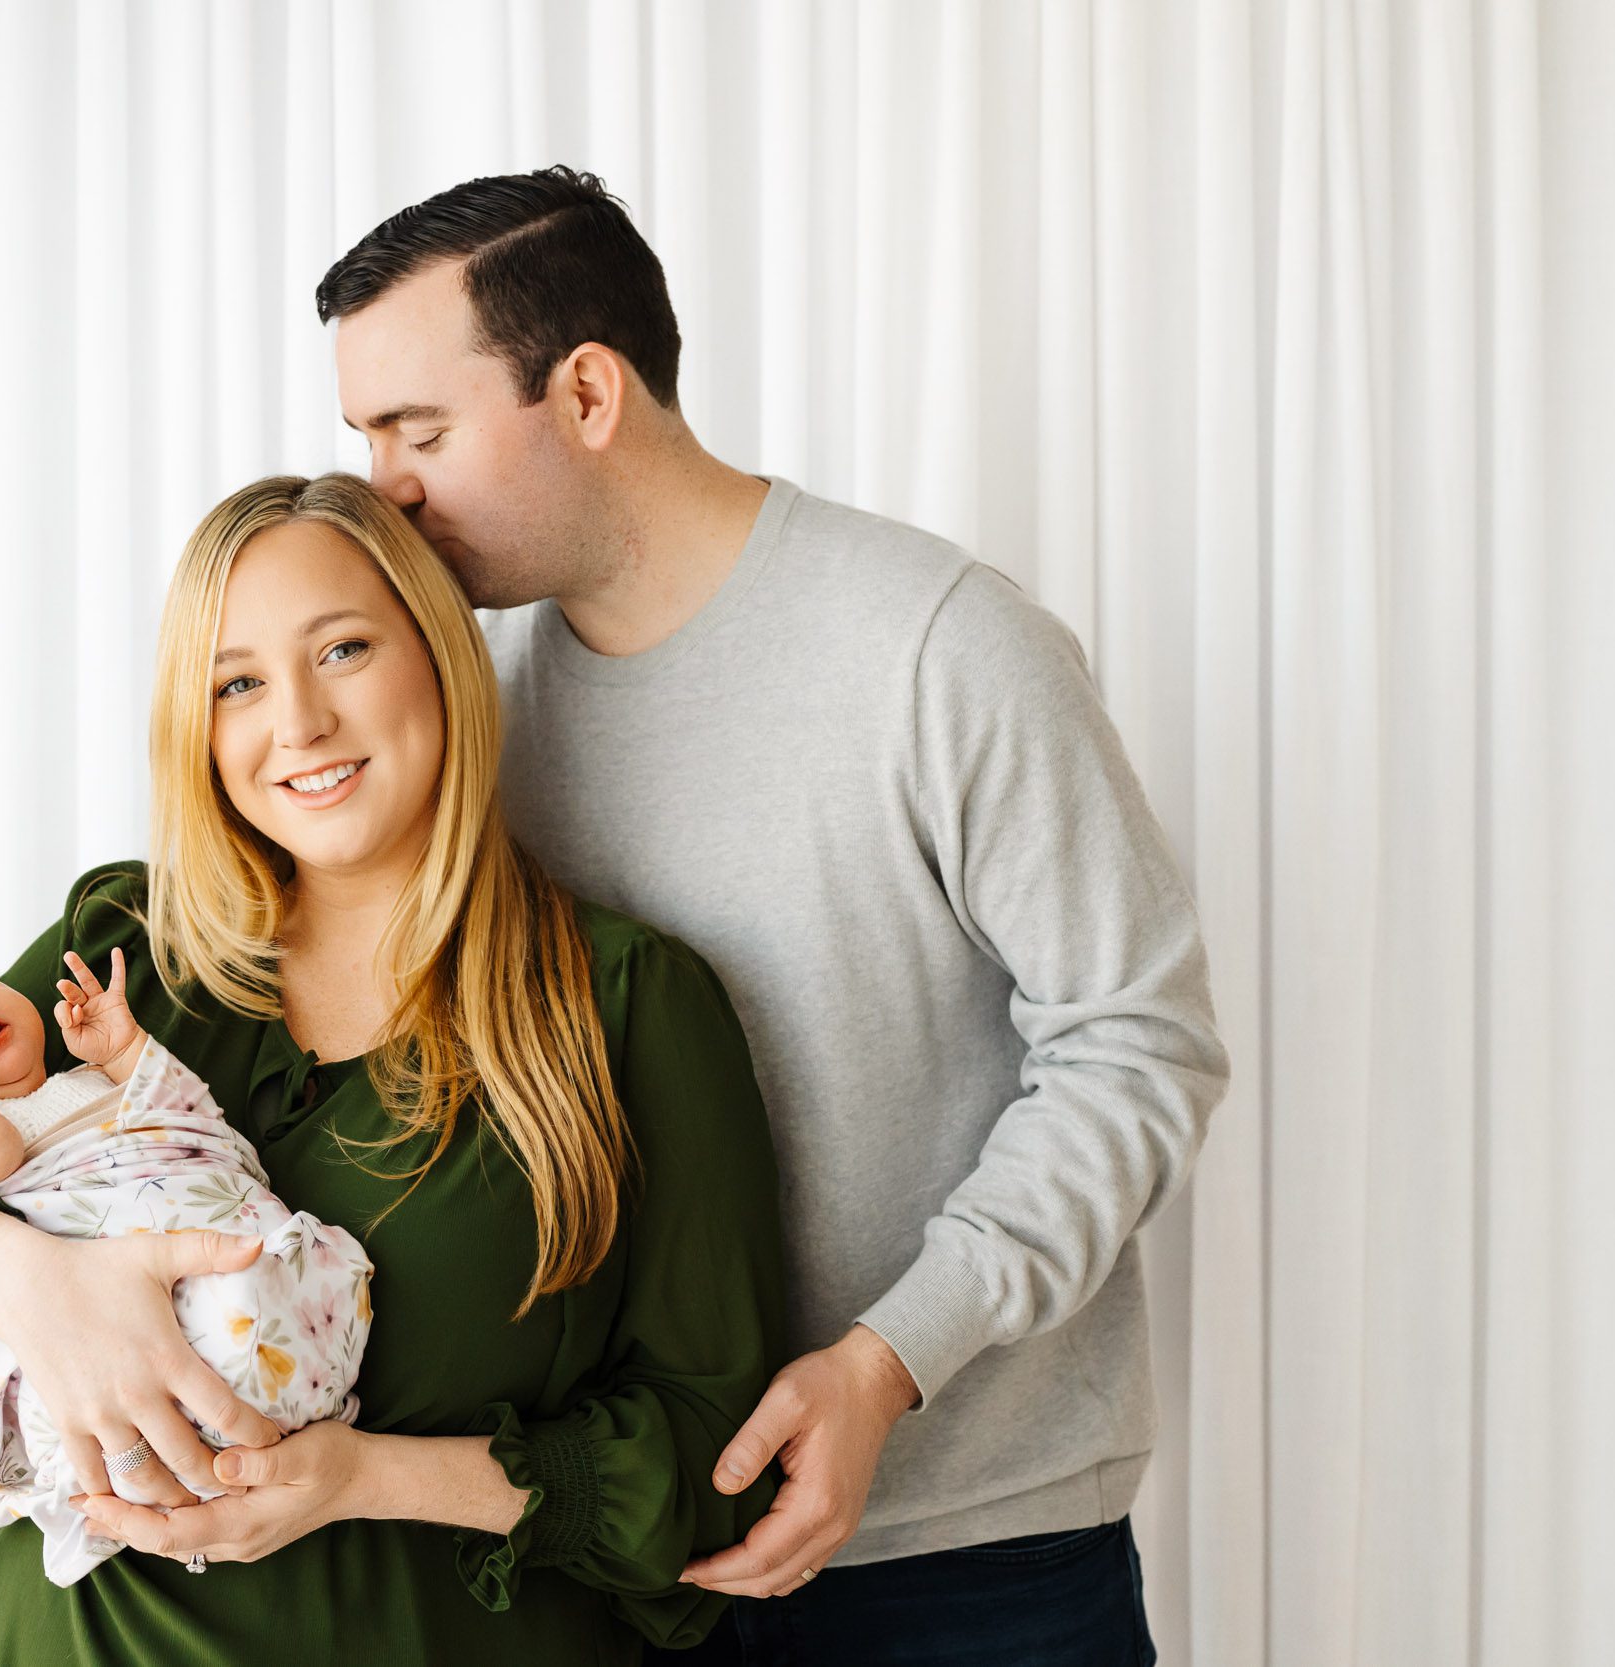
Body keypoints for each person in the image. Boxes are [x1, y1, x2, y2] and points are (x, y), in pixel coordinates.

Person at [318, 166, 1231, 1664]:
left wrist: (887, 1363)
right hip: (618, 1555)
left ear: (592, 392)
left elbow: (1139, 1049)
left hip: (970, 1552)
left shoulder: (939, 644)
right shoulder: (467, 718)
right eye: (366, 440)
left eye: (418, 431)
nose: (385, 487)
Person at [0, 472, 789, 1664]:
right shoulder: (128, 948)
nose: (299, 723)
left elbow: (712, 1464)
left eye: (345, 649)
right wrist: (27, 1286)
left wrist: (367, 1475)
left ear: (439, 653)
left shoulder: (626, 1008)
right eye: (239, 683)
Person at [0, 923, 372, 1586]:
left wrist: (127, 1051)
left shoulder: (83, 1080)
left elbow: (187, 1115)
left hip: (274, 1301)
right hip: (168, 1349)